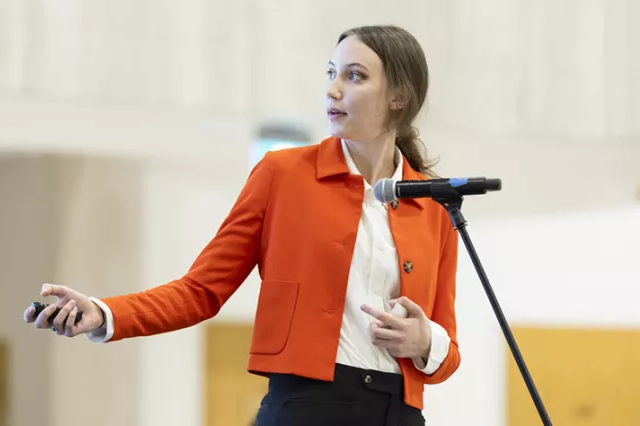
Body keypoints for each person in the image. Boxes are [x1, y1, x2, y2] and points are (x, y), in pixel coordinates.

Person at [24, 25, 460, 426]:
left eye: (354, 76)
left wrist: (424, 342)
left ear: (398, 97)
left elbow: (448, 352)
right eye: (331, 73)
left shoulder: (433, 205)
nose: (333, 89)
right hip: (306, 407)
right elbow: (201, 291)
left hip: (399, 413)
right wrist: (105, 312)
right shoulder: (283, 175)